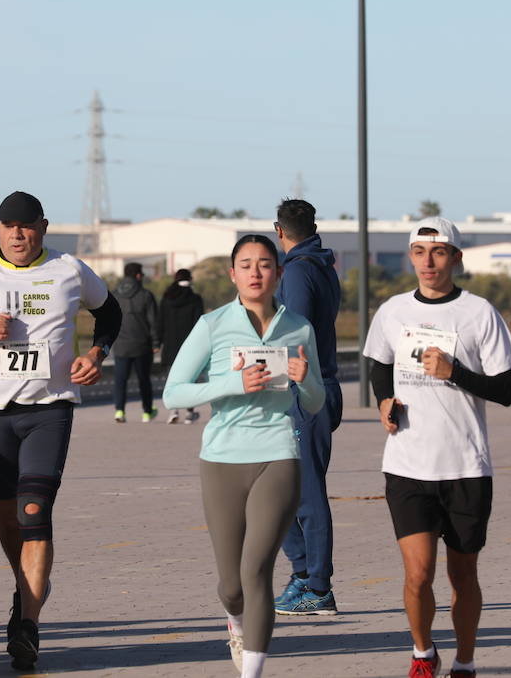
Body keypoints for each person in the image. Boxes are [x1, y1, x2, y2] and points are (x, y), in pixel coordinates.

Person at [0, 191, 121, 671]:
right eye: (9, 226)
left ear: (43, 226)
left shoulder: (70, 269)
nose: (18, 234)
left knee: (34, 509)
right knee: (9, 519)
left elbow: (111, 314)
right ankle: (26, 589)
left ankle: (28, 625)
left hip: (50, 409)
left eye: (27, 225)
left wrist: (95, 356)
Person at [363, 217, 511, 678]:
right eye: (418, 252)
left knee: (463, 576)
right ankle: (421, 653)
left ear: (455, 257)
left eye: (437, 252)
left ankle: (465, 661)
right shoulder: (392, 311)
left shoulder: (478, 312)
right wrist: (383, 399)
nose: (427, 262)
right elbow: (379, 363)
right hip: (408, 464)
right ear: (410, 256)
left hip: (465, 466)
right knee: (418, 574)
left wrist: (454, 373)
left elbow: (506, 390)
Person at [162, 234, 324, 678]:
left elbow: (313, 403)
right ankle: (234, 620)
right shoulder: (213, 325)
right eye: (246, 264)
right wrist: (233, 384)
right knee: (232, 587)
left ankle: (251, 672)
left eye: (265, 264)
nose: (256, 272)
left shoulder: (298, 329)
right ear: (233, 274)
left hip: (278, 454)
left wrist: (305, 380)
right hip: (221, 461)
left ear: (279, 273)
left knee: (256, 572)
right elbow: (173, 393)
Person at [270, 198, 344, 617]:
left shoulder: (298, 270)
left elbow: (293, 336)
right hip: (313, 386)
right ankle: (303, 574)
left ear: (278, 230)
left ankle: (317, 586)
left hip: (304, 390)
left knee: (306, 493)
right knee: (277, 490)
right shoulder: (320, 264)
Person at [111, 262, 159, 422]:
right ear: (138, 275)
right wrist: (156, 343)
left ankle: (119, 411)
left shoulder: (115, 294)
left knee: (120, 380)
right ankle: (147, 412)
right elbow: (153, 321)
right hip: (142, 345)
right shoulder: (146, 295)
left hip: (120, 345)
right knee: (144, 379)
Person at [158, 268, 204, 424]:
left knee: (172, 379)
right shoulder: (195, 299)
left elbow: (160, 322)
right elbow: (200, 324)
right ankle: (190, 413)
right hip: (190, 345)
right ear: (190, 279)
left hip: (170, 345)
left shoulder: (166, 298)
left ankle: (173, 410)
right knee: (190, 379)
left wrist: (157, 342)